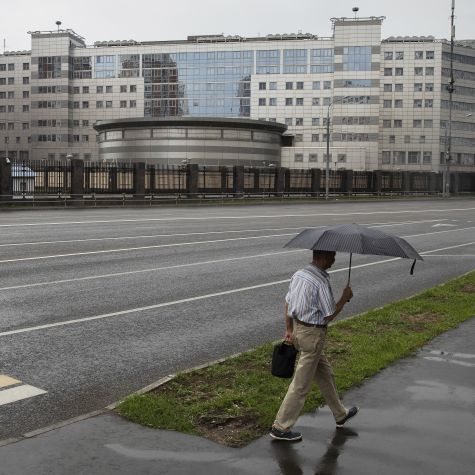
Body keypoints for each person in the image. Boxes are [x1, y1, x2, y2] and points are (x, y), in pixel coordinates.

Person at [270, 250, 358, 442]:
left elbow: (287, 303)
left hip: (298, 330)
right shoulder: (320, 282)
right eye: (332, 257)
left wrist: (289, 329)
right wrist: (344, 298)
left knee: (325, 372)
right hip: (313, 335)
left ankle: (340, 414)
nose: (334, 260)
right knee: (301, 384)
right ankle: (281, 426)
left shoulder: (299, 274)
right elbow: (328, 315)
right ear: (323, 257)